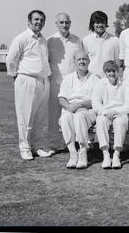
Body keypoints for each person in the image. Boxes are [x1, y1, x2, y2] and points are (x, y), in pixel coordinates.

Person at [6, 10, 54, 160]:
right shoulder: (22, 38)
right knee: (25, 117)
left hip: (41, 81)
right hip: (26, 80)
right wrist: (16, 76)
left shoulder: (43, 40)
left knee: (40, 117)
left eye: (42, 20)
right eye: (36, 19)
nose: (39, 22)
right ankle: (25, 148)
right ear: (29, 21)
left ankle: (37, 147)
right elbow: (11, 59)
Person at [47, 12, 83, 152]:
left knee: (73, 113)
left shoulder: (77, 40)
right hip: (55, 82)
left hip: (73, 84)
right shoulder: (50, 40)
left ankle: (73, 143)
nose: (64, 25)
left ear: (70, 23)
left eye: (67, 22)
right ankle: (54, 144)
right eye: (61, 22)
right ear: (56, 24)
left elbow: (80, 60)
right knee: (54, 114)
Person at [58, 50, 100, 169]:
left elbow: (96, 101)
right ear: (74, 62)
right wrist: (68, 107)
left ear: (89, 61)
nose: (82, 61)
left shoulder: (95, 78)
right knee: (65, 117)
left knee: (80, 116)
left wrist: (79, 106)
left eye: (84, 59)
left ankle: (82, 153)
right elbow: (61, 98)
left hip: (88, 110)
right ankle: (72, 153)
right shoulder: (68, 78)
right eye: (79, 59)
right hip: (70, 108)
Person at [92, 60, 129, 169]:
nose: (111, 74)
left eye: (113, 71)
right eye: (108, 71)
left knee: (120, 123)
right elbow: (96, 102)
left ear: (118, 71)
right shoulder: (100, 84)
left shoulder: (124, 84)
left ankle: (116, 154)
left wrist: (117, 112)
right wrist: (105, 112)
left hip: (120, 113)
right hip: (105, 112)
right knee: (100, 121)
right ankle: (106, 155)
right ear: (105, 73)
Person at [83, 11, 119, 78]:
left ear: (106, 24)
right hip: (91, 80)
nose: (100, 25)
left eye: (102, 22)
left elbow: (117, 61)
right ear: (92, 24)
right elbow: (84, 61)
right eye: (97, 22)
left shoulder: (115, 40)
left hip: (109, 79)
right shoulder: (86, 40)